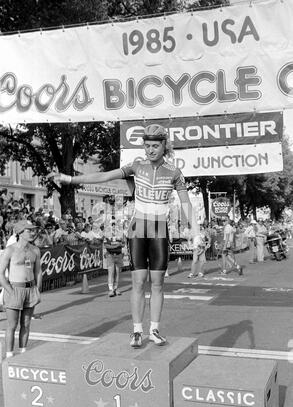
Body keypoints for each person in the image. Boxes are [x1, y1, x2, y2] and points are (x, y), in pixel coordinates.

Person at [50, 123, 198, 348]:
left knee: (157, 282)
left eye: (155, 146)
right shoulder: (137, 166)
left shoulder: (174, 172)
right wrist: (69, 179)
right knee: (139, 281)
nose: (150, 150)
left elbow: (185, 203)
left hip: (159, 229)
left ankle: (154, 329)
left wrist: (195, 233)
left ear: (164, 146)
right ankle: (137, 331)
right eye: (147, 146)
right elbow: (105, 176)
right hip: (138, 228)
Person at [0, 220, 42, 358]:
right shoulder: (10, 250)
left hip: (30, 289)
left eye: (33, 230)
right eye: (29, 230)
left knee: (26, 324)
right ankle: (9, 356)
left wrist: (37, 289)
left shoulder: (35, 250)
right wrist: (10, 291)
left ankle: (24, 353)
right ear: (20, 232)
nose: (32, 232)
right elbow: (0, 274)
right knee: (12, 325)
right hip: (14, 289)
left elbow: (38, 271)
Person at [104, 222, 124, 297]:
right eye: (112, 226)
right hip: (110, 255)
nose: (114, 228)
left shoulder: (121, 234)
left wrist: (119, 245)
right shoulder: (107, 235)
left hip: (118, 255)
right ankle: (110, 289)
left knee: (117, 272)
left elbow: (123, 244)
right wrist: (116, 246)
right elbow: (106, 246)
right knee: (111, 272)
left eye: (115, 226)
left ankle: (116, 288)